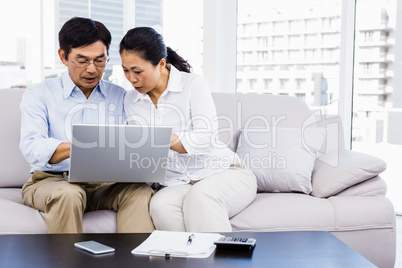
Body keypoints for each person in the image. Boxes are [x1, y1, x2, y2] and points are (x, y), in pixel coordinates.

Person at [19, 17, 154, 234]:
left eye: (100, 60)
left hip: (104, 184)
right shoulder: (39, 94)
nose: (92, 69)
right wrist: (81, 147)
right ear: (63, 56)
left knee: (139, 191)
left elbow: (132, 144)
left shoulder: (120, 96)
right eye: (82, 60)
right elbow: (32, 148)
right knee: (69, 194)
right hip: (52, 182)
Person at [119, 27, 257, 232]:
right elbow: (141, 150)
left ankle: (218, 262)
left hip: (223, 172)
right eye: (125, 70)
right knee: (160, 206)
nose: (131, 79)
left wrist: (158, 139)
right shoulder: (131, 100)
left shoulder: (193, 85)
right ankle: (186, 261)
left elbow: (206, 137)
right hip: (177, 183)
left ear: (161, 64)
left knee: (201, 196)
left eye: (137, 71)